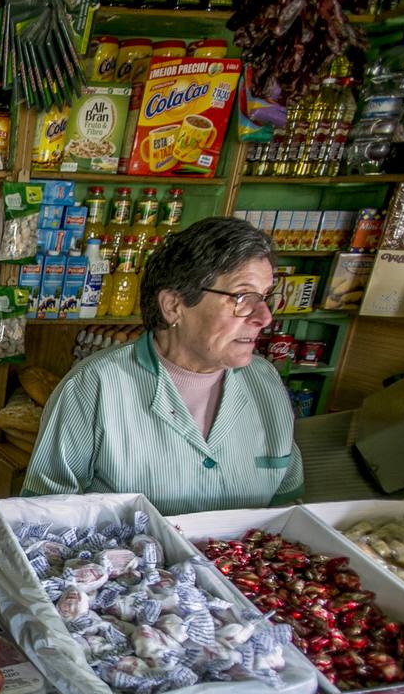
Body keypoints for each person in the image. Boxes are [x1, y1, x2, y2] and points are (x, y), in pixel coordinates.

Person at [23, 216, 304, 516]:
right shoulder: (95, 386)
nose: (264, 317)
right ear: (173, 305)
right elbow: (44, 518)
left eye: (265, 298)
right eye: (243, 297)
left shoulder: (265, 382)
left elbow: (287, 506)